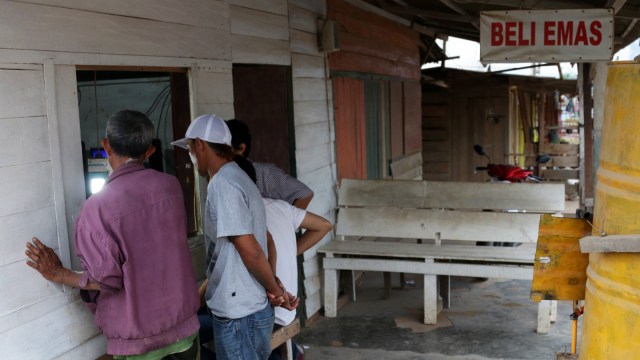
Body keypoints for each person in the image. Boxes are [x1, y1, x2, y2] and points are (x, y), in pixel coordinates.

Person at [25, 110, 201, 359]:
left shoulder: (96, 208)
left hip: (142, 343)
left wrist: (60, 274)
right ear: (150, 151)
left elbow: (106, 281)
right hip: (184, 330)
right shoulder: (170, 185)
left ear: (106, 146)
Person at [172, 114, 297, 360]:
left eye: (189, 148)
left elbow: (250, 250)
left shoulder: (224, 184)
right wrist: (274, 287)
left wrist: (276, 292)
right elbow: (265, 240)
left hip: (240, 311)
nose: (190, 156)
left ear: (200, 144)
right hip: (249, 305)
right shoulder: (238, 176)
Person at [233, 157, 332, 360]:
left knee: (198, 331)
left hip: (270, 312)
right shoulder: (281, 207)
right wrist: (291, 250)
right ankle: (293, 353)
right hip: (288, 311)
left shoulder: (240, 216)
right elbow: (324, 225)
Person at [225, 119, 314, 209]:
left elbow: (304, 194)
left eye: (225, 148)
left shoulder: (265, 173)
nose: (220, 154)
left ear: (241, 148)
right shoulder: (220, 176)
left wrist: (291, 220)